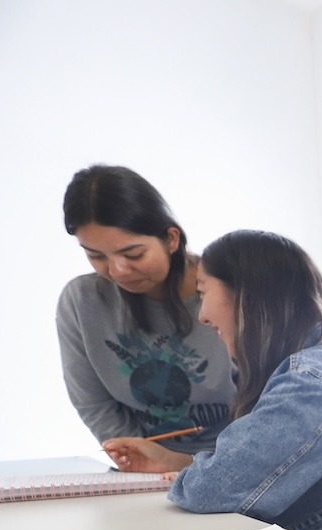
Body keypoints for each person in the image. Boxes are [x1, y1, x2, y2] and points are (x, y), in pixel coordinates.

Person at [102, 230, 322, 530]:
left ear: (246, 295)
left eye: (203, 292)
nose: (202, 316)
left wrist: (189, 477)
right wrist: (178, 463)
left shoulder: (312, 382)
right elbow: (243, 474)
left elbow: (213, 491)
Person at [58, 165, 236, 453]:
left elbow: (267, 407)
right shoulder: (82, 302)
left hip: (240, 465)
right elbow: (94, 403)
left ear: (171, 239)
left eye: (134, 254)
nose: (117, 270)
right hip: (145, 469)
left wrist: (192, 468)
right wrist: (142, 458)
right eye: (96, 255)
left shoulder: (231, 292)